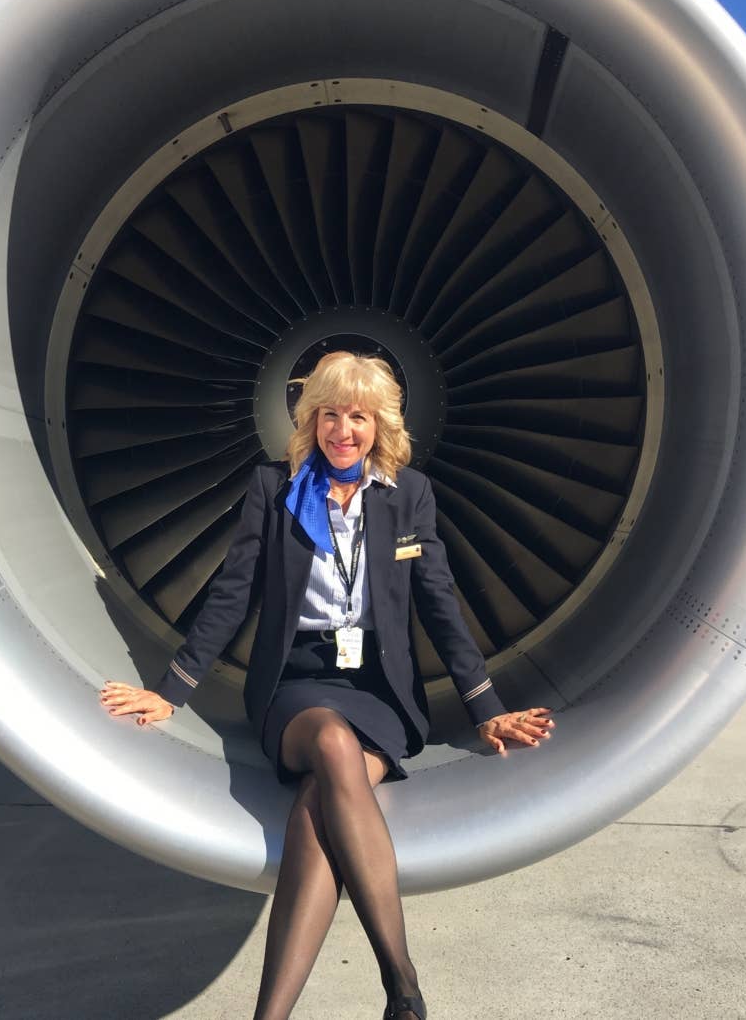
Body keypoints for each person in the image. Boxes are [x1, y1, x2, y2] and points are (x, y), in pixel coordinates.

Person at [100, 351, 556, 1020]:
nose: (344, 430)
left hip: (379, 689)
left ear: (380, 426)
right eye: (331, 415)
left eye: (359, 417)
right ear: (311, 419)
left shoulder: (408, 495)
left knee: (321, 807)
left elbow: (438, 604)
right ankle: (403, 986)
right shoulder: (274, 487)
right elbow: (232, 592)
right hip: (297, 683)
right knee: (334, 748)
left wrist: (485, 708)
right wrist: (172, 690)